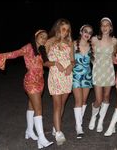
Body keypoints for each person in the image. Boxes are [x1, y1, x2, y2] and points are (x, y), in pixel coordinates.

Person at [0, 29, 54, 149]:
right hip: (31, 81)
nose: (43, 38)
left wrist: (58, 63)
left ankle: (29, 131)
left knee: (31, 106)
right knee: (39, 109)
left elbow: (44, 63)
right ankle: (41, 138)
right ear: (35, 36)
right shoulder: (28, 47)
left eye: (45, 37)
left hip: (40, 80)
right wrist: (2, 56)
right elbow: (16, 53)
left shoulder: (42, 50)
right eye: (41, 36)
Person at [45, 18, 75, 146]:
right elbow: (44, 61)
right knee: (57, 105)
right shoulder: (49, 42)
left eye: (68, 30)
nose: (66, 32)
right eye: (63, 29)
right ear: (57, 29)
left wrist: (70, 66)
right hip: (55, 76)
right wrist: (55, 63)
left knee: (62, 104)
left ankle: (55, 127)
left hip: (67, 77)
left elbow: (73, 61)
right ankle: (58, 132)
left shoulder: (70, 43)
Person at [88, 17, 117, 133]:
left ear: (110, 27)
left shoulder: (115, 41)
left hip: (109, 71)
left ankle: (100, 120)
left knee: (106, 97)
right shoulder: (94, 39)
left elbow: (115, 57)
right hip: (97, 71)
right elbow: (89, 53)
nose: (105, 27)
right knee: (98, 99)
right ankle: (93, 116)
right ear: (100, 27)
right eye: (103, 25)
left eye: (107, 25)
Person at [72, 24, 94, 139]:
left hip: (87, 76)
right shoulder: (73, 44)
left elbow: (95, 61)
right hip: (75, 76)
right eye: (85, 31)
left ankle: (78, 123)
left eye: (90, 32)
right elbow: (69, 59)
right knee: (78, 100)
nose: (87, 34)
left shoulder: (92, 46)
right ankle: (79, 127)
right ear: (81, 32)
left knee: (84, 101)